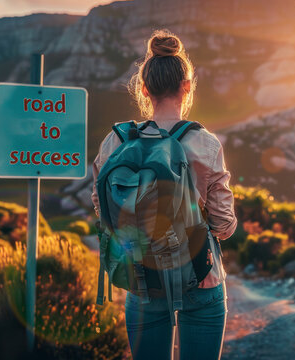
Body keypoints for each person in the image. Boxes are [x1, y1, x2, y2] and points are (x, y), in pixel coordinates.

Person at [90, 29, 237, 360]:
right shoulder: (205, 143)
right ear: (187, 87)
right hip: (201, 277)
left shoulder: (116, 141)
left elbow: (102, 208)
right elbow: (223, 225)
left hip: (142, 277)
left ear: (144, 89)